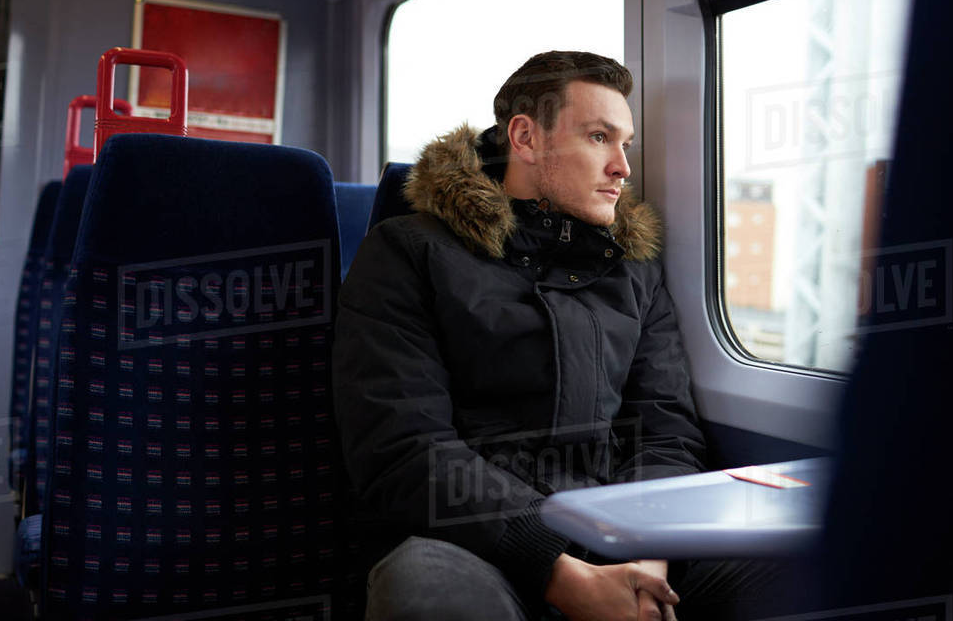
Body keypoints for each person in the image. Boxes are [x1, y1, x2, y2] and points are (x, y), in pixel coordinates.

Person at [333, 52, 780, 621]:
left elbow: (667, 432)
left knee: (809, 572)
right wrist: (557, 569)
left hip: (621, 534)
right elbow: (403, 450)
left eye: (627, 144)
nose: (622, 166)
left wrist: (647, 553)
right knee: (430, 597)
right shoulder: (409, 252)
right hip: (463, 543)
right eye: (599, 137)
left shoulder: (633, 271)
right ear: (525, 138)